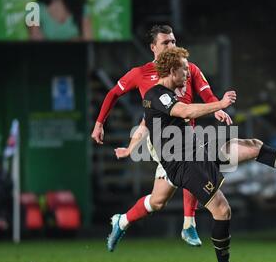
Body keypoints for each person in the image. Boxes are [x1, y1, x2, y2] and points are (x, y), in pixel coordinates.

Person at [107, 47, 276, 262]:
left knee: (254, 146)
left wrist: (130, 148)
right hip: (184, 163)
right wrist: (220, 104)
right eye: (185, 70)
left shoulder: (167, 95)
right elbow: (186, 110)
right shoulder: (158, 95)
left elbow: (149, 123)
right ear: (171, 69)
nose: (189, 74)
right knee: (222, 209)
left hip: (197, 150)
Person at [91, 25, 232, 246]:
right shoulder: (141, 73)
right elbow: (113, 93)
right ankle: (189, 224)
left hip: (186, 135)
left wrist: (218, 108)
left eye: (173, 41)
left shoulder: (188, 68)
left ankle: (123, 221)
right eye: (165, 43)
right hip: (163, 140)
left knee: (157, 202)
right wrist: (99, 123)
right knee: (193, 164)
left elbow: (206, 92)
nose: (171, 46)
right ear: (153, 47)